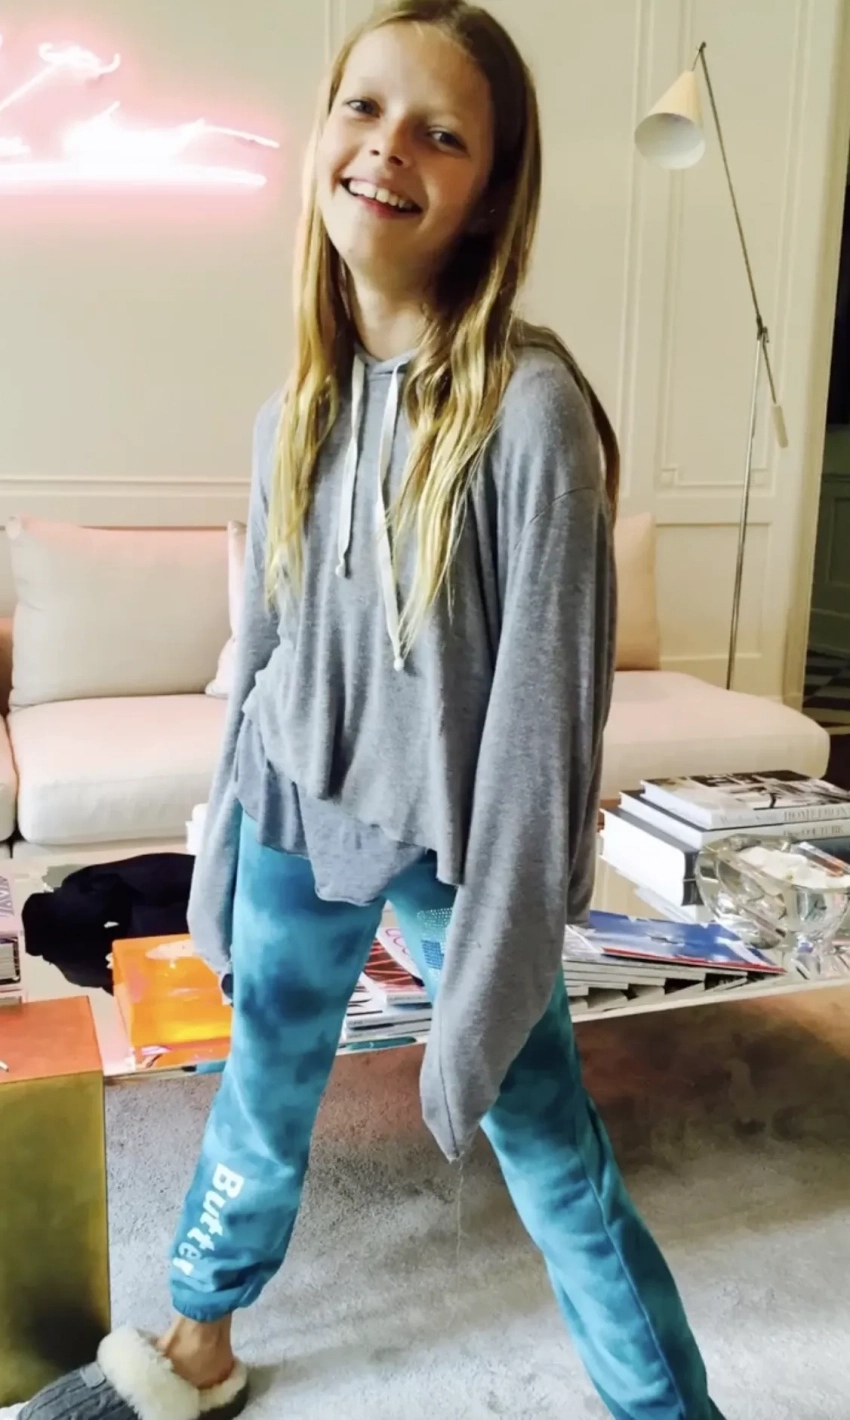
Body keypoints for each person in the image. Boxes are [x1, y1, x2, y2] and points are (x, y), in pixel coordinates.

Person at [23, 4, 726, 1418]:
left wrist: (499, 962)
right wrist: (225, 850)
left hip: (456, 848)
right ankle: (201, 1343)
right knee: (261, 1090)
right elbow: (266, 660)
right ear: (322, 137)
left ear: (488, 193)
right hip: (297, 812)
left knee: (547, 1142)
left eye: (440, 132)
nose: (387, 146)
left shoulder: (532, 413)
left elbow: (542, 731)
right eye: (363, 107)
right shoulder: (292, 410)